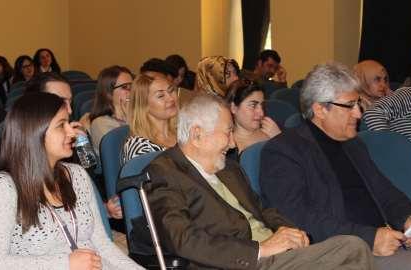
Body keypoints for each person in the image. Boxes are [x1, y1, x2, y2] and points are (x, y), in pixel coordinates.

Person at [259, 63, 411, 270]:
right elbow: (298, 217)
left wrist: (407, 219)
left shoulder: (352, 144)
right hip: (350, 254)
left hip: (389, 241)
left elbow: (386, 192)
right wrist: (370, 237)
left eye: (358, 104)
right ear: (319, 109)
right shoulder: (284, 151)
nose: (358, 113)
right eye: (349, 106)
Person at [143, 94, 375, 270]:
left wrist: (291, 231)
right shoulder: (164, 172)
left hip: (276, 253)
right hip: (243, 261)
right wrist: (260, 249)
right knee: (352, 249)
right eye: (228, 132)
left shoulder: (229, 168)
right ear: (197, 135)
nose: (233, 144)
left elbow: (262, 210)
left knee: (349, 254)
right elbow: (182, 239)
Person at [0, 92, 143, 270]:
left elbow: (102, 246)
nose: (72, 132)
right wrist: (65, 263)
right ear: (34, 132)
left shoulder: (77, 175)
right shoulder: (3, 187)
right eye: (61, 125)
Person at [26, 72, 122, 219]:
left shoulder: (75, 135)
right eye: (60, 101)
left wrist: (84, 149)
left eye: (70, 102)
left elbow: (92, 183)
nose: (69, 110)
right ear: (36, 105)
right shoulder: (19, 148)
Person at [122, 74, 177, 163]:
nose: (171, 98)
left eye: (171, 91)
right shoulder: (140, 147)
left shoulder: (183, 132)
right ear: (144, 105)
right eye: (161, 96)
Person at [224, 79, 281, 159]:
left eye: (262, 106)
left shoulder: (273, 130)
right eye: (253, 106)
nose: (261, 113)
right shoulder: (229, 148)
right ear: (233, 108)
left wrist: (280, 138)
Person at [89, 65, 133, 156]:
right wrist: (130, 120)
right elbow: (126, 154)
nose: (132, 92)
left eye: (132, 86)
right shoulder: (100, 123)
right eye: (125, 87)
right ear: (108, 93)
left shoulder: (139, 115)